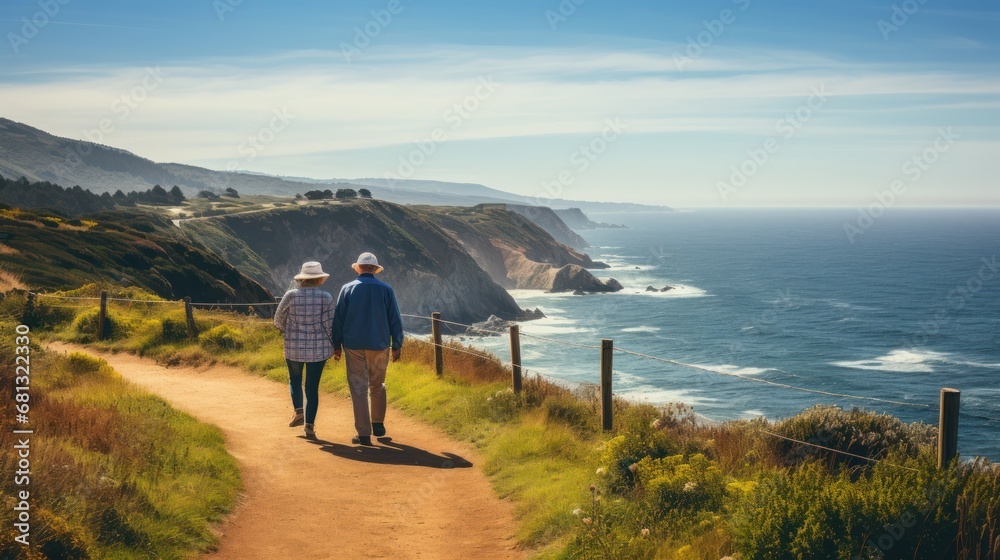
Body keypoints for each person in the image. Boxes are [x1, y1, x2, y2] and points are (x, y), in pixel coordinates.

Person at [332, 252, 404, 446]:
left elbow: (339, 318)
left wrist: (336, 344)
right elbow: (394, 318)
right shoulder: (386, 290)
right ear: (375, 269)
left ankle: (364, 433)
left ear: (359, 267)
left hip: (354, 344)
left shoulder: (347, 289)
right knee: (377, 385)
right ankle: (378, 424)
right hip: (379, 344)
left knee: (358, 387)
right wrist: (397, 344)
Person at [274, 261, 335, 440]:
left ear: (302, 279)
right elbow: (330, 325)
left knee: (295, 379)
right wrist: (335, 346)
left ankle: (298, 411)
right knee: (312, 387)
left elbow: (277, 320)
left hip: (293, 347)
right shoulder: (326, 297)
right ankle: (309, 426)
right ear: (319, 279)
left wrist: (290, 330)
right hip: (318, 349)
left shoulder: (291, 295)